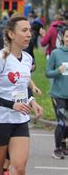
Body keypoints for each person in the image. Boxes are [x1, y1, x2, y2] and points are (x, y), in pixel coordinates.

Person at [0, 16, 43, 175]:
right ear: (11, 34)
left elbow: (22, 86)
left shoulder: (27, 59)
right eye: (24, 30)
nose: (29, 34)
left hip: (20, 120)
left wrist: (32, 101)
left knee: (20, 168)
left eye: (29, 30)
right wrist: (12, 105)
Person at [46, 27, 68, 159]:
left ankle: (63, 144)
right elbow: (47, 73)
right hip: (58, 94)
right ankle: (57, 148)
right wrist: (57, 71)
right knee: (62, 122)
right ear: (63, 38)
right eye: (66, 36)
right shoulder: (56, 53)